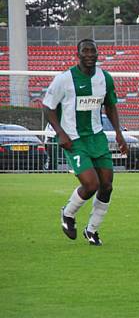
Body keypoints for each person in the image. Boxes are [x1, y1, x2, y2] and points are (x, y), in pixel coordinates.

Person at [43, 38, 128, 246]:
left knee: (106, 185)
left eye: (93, 51)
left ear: (98, 54)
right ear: (78, 55)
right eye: (85, 51)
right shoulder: (64, 79)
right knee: (91, 184)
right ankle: (68, 213)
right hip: (74, 138)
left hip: (97, 137)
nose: (90, 55)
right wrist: (60, 133)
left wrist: (119, 133)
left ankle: (92, 230)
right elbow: (48, 107)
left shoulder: (105, 78)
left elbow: (110, 106)